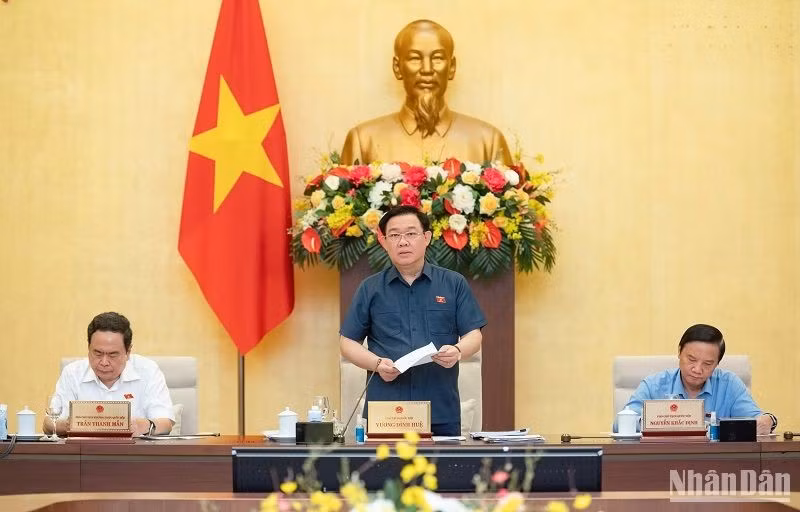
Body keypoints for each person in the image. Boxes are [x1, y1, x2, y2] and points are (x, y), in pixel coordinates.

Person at [339, 205, 486, 436]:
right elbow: (347, 342)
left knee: (444, 473)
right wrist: (377, 364)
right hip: (387, 412)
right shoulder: (370, 288)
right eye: (394, 235)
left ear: (426, 237)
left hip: (439, 409)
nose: (403, 242)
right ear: (384, 241)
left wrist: (457, 351)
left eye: (410, 234)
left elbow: (474, 335)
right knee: (384, 473)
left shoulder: (453, 283)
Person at [341, 19, 512, 166]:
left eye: (437, 58)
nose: (427, 69)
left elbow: (513, 202)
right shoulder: (363, 140)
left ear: (451, 67)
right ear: (397, 67)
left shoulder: (488, 141)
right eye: (414, 58)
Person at [616, 323, 777, 435]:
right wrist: (659, 423)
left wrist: (769, 420)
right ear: (679, 352)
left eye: (707, 363)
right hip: (662, 464)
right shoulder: (654, 385)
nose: (697, 369)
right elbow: (619, 425)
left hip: (716, 469)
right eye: (691, 359)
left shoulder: (729, 385)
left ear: (717, 364)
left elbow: (758, 420)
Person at [44, 312, 175, 437]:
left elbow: (165, 423)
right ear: (88, 348)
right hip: (86, 454)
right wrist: (71, 424)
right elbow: (48, 423)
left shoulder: (148, 370)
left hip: (134, 454)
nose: (104, 362)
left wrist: (143, 426)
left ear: (128, 352)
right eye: (98, 353)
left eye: (112, 355)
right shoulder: (72, 373)